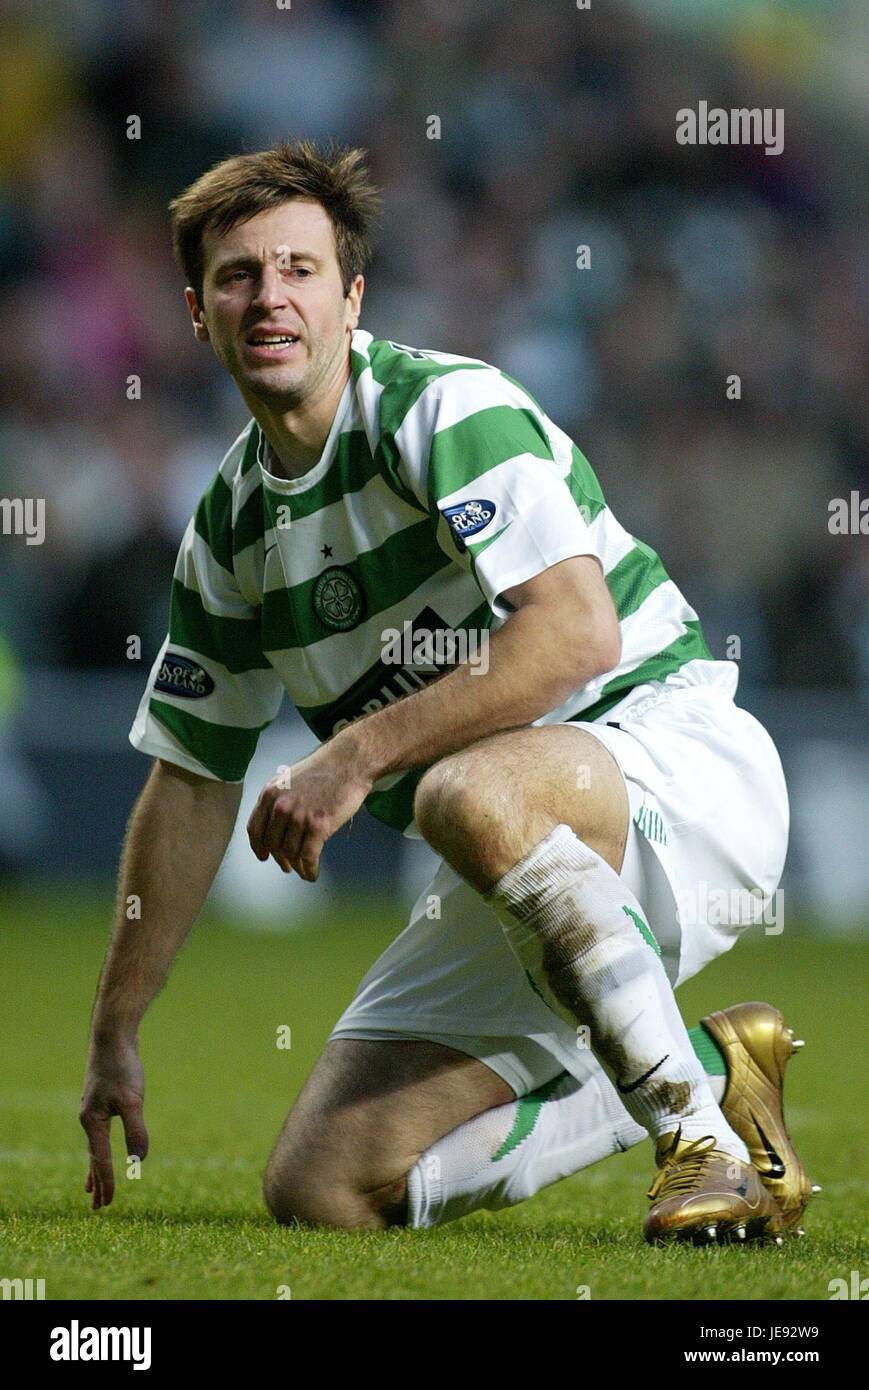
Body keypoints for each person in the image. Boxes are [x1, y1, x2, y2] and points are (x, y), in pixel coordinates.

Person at [80, 139, 814, 1244]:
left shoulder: (439, 407)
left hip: (672, 766)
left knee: (462, 794)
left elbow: (572, 632)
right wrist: (116, 1029)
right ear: (197, 311)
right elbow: (190, 780)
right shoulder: (227, 531)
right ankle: (715, 1067)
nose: (268, 297)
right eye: (238, 276)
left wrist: (352, 754)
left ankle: (697, 1146)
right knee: (323, 1190)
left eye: (299, 269)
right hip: (514, 857)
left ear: (350, 295)